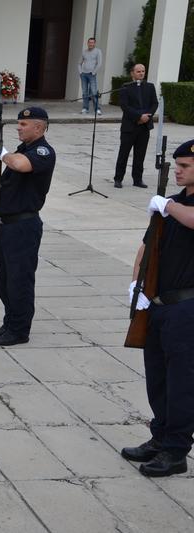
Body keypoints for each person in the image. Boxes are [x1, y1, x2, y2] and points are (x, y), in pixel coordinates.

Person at [121, 139, 194, 477]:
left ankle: (176, 450)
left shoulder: (174, 206)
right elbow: (146, 246)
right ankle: (160, 437)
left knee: (182, 381)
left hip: (187, 307)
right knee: (158, 377)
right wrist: (137, 285)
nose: (178, 171)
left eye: (185, 167)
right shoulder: (173, 202)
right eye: (176, 166)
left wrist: (166, 206)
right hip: (158, 304)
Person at [0, 107, 56, 346]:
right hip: (6, 225)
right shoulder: (23, 149)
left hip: (24, 225)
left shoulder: (43, 151)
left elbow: (20, 165)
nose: (18, 127)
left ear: (39, 127)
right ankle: (10, 321)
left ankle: (19, 329)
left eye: (24, 124)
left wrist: (3, 154)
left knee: (20, 280)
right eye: (18, 123)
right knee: (4, 278)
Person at [114, 63, 157, 189]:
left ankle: (137, 179)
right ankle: (118, 178)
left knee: (140, 154)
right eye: (138, 71)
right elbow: (124, 106)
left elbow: (154, 103)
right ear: (132, 73)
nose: (141, 73)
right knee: (124, 153)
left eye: (143, 71)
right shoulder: (125, 87)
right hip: (130, 126)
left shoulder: (150, 87)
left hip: (144, 126)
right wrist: (139, 117)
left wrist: (147, 116)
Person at [79, 37, 102, 115]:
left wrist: (94, 72)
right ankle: (85, 108)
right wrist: (80, 72)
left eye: (92, 42)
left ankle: (97, 109)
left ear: (94, 43)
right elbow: (79, 63)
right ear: (87, 43)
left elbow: (99, 63)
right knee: (85, 92)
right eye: (89, 42)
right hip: (84, 75)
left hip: (92, 75)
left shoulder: (98, 51)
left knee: (94, 92)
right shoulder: (84, 52)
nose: (91, 44)